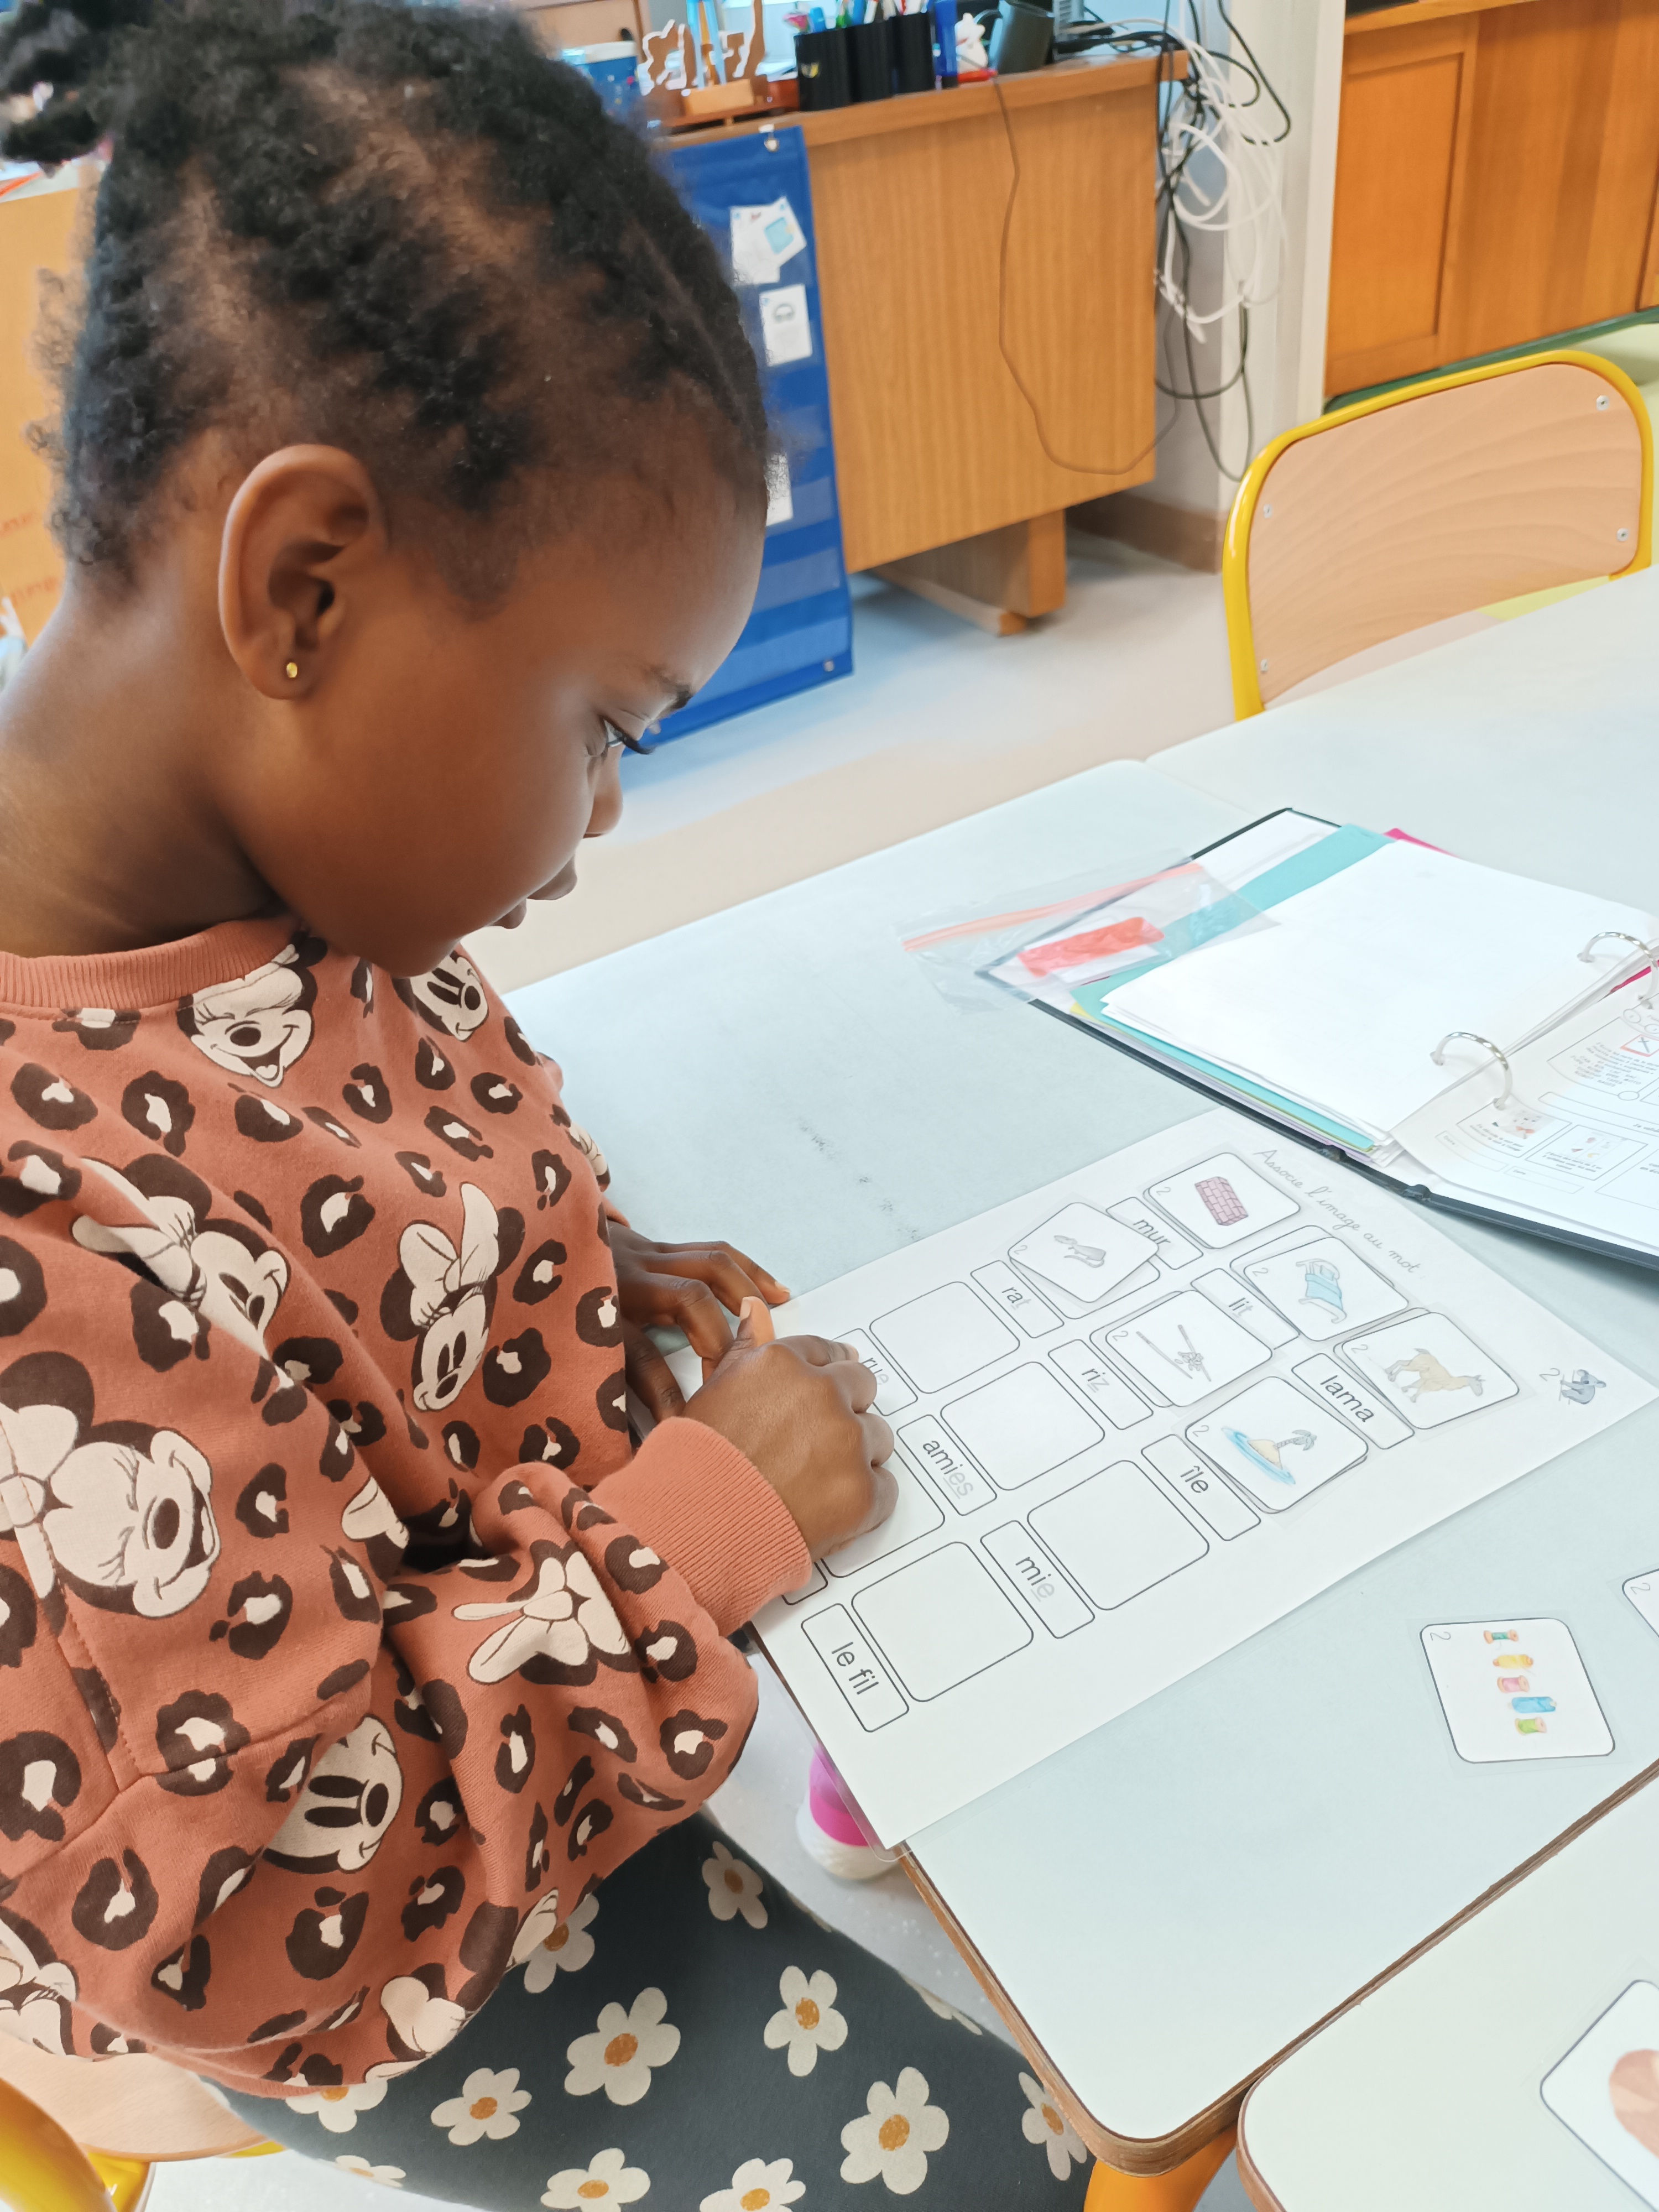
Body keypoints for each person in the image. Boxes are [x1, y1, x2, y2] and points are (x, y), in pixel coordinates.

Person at [0, 2, 1097, 2202]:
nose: (596, 818)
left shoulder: (276, 855)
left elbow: (374, 1166)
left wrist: (567, 1269)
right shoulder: (44, 1234)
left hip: (576, 1634)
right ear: (302, 588)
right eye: (602, 722)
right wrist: (696, 1528)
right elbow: (288, 1929)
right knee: (1013, 2160)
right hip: (407, 1946)